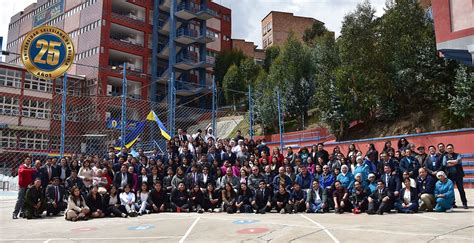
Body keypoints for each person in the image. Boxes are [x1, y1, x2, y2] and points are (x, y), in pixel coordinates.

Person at [443, 144, 467, 209]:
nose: (449, 149)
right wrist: (455, 162)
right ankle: (453, 203)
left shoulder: (458, 155)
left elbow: (458, 161)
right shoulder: (445, 156)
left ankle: (464, 203)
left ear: (453, 149)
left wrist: (450, 162)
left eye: (451, 148)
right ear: (447, 149)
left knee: (461, 189)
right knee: (451, 190)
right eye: (448, 148)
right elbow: (445, 164)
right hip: (450, 176)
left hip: (458, 175)